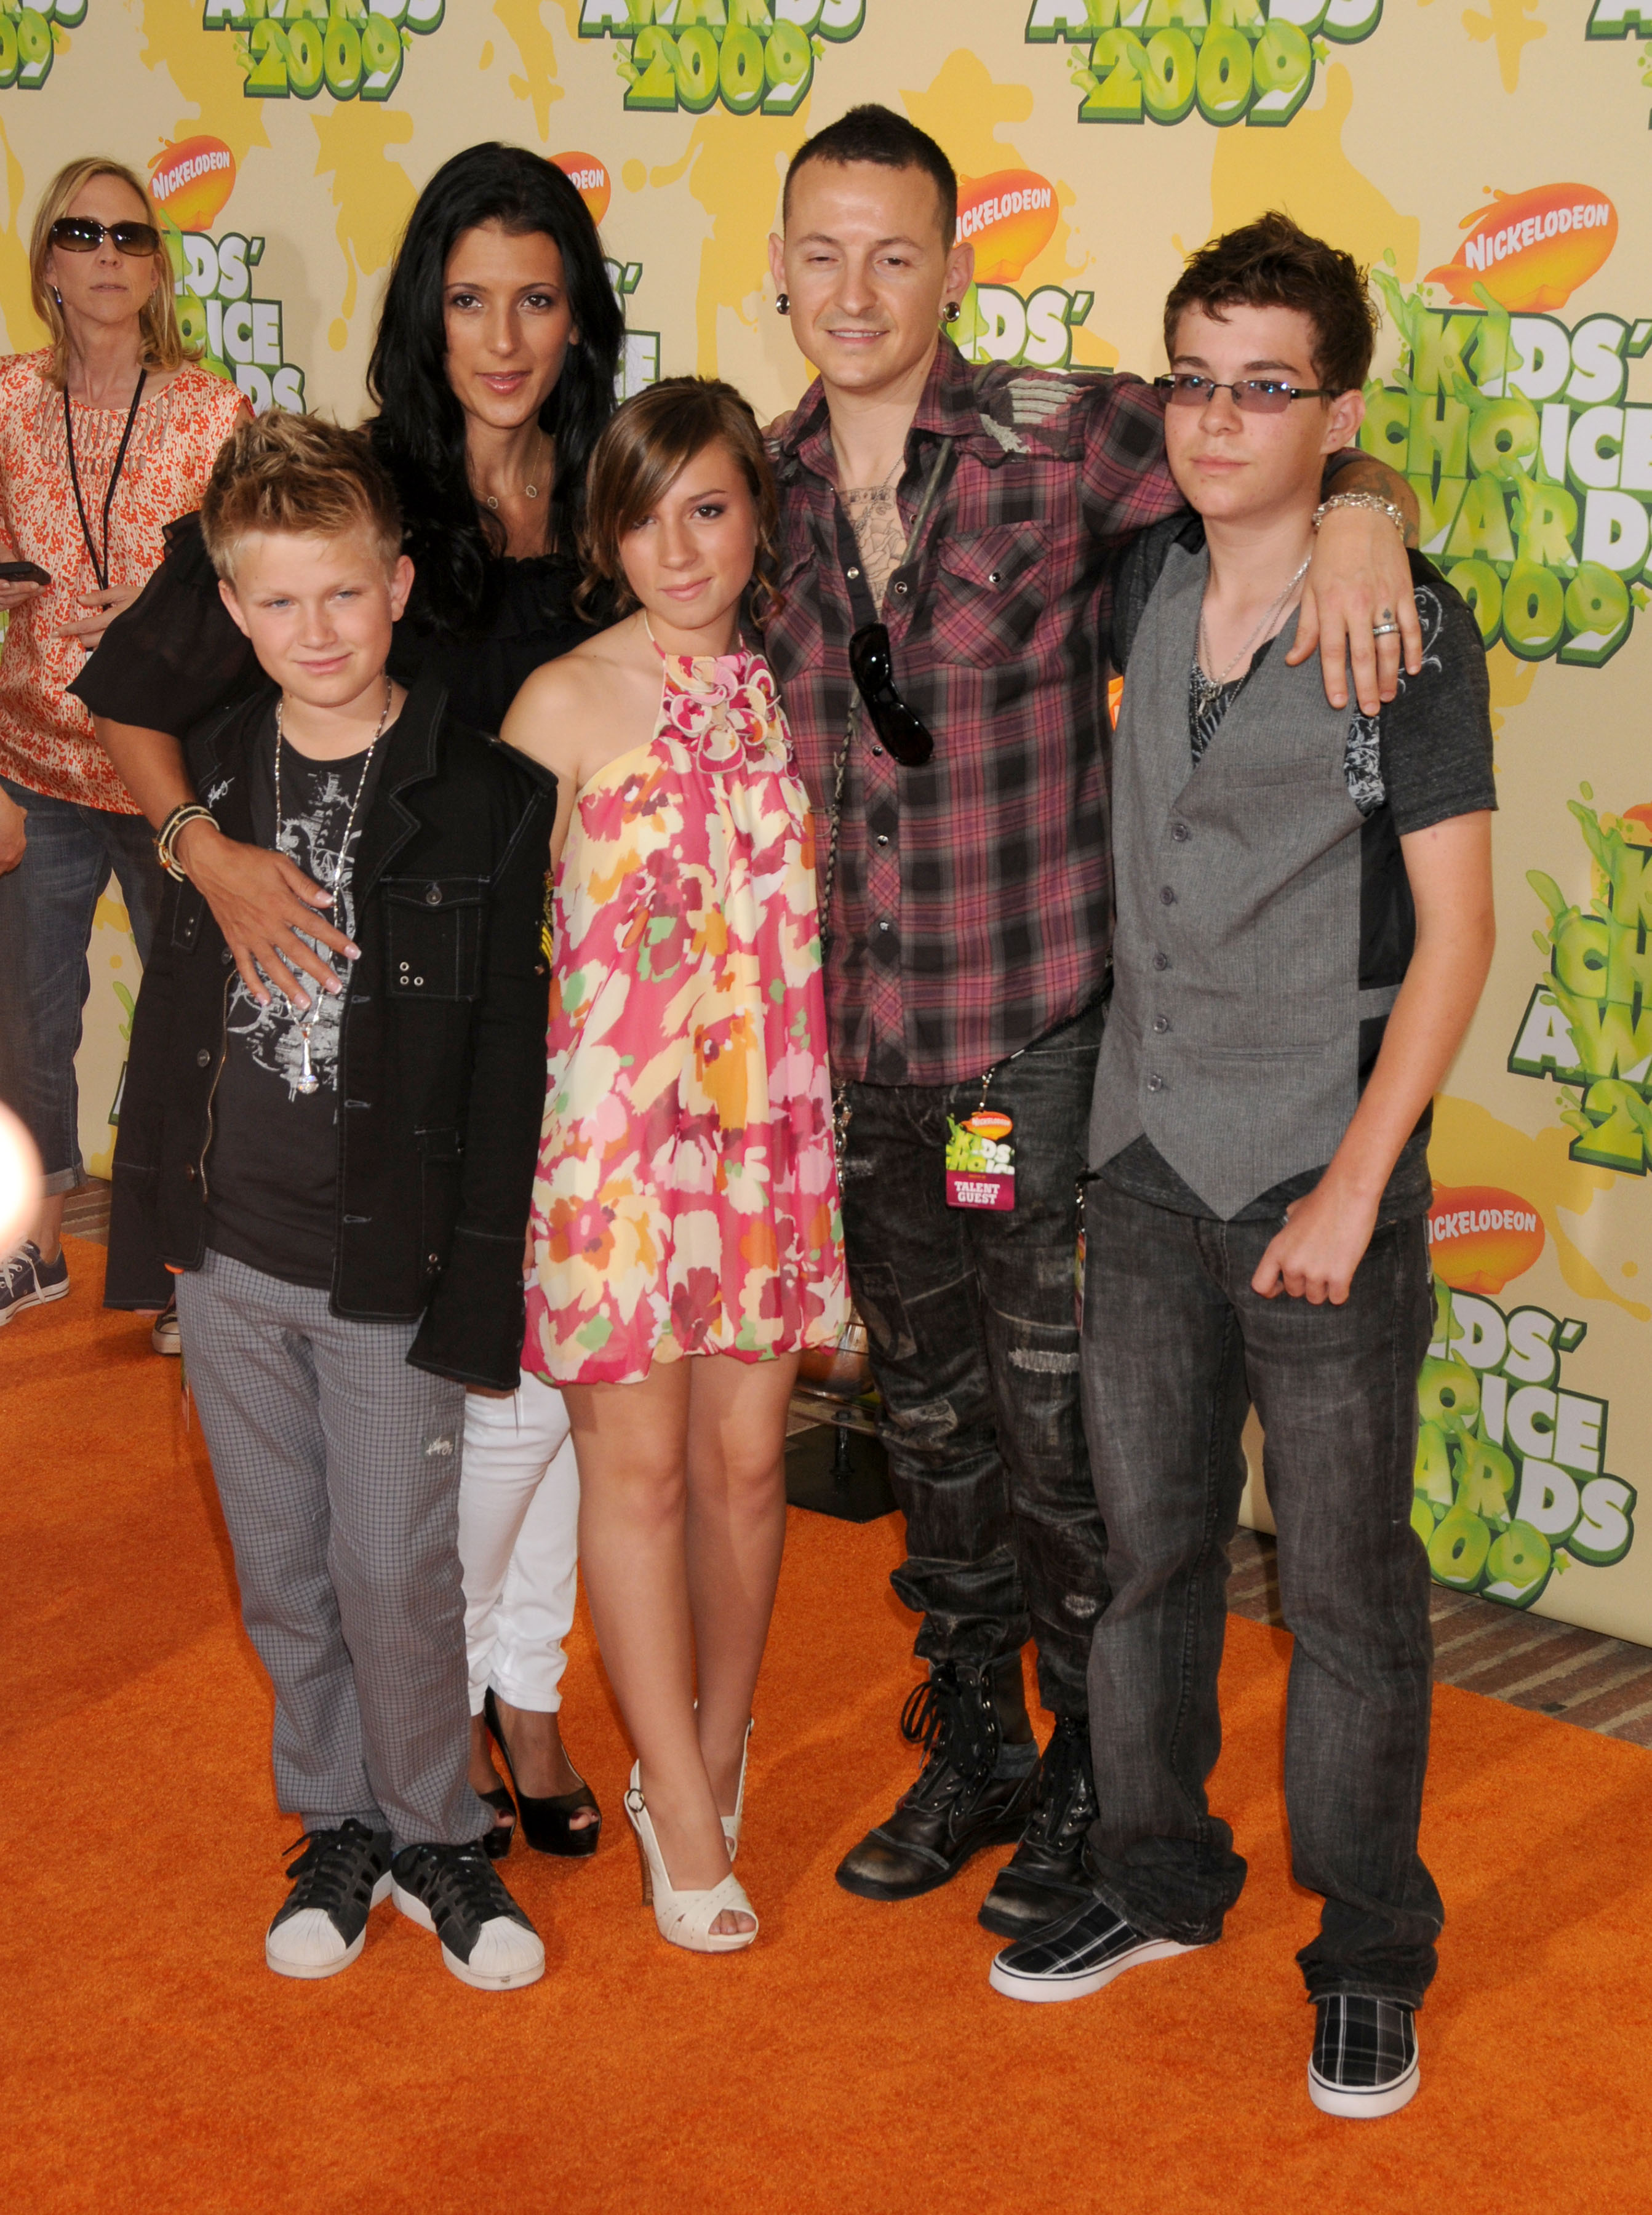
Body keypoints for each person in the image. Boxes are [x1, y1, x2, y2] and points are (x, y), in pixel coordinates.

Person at [762, 105, 1426, 1939]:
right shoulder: (761, 483)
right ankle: (975, 1731)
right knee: (931, 1426)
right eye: (821, 251)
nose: (855, 288)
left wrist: (1371, 515)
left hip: (1036, 1047)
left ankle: (1088, 1773)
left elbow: (1276, 457)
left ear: (956, 269)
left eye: (894, 252)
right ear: (775, 268)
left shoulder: (1067, 439)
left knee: (1070, 1446)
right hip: (864, 1057)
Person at [986, 216, 1496, 2123]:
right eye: (1191, 377)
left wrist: (1359, 1190)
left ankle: (1368, 1955)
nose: (1214, 419)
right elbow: (1025, 419)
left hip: (1316, 1171)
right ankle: (1151, 1877)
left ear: (1336, 411)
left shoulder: (1402, 620)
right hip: (1139, 1157)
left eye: (1264, 388)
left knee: (1350, 1594)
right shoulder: (1129, 582)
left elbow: (1452, 938)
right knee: (1149, 1563)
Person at [73, 142, 623, 1861]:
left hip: (596, 994)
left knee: (564, 1387)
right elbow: (128, 693)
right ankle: (411, 1736)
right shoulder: (343, 505)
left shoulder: (618, 489)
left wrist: (1350, 495)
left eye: (537, 296)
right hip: (398, 1042)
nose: (504, 333)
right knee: (443, 1413)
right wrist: (204, 855)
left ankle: (514, 1691)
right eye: (468, 297)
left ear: (578, 311)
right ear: (421, 311)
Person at [104, 410, 557, 1989]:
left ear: (398, 584)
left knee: (393, 1566)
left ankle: (437, 1829)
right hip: (234, 1258)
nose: (316, 632)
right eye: (280, 603)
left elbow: (510, 1065)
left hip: (393, 1267)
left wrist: (480, 1281)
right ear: (232, 611)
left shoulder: (485, 795)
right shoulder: (210, 783)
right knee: (284, 1566)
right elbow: (173, 1028)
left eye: (345, 597)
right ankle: (338, 1820)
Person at [500, 377, 849, 1954]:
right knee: (631, 1473)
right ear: (606, 534)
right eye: (642, 517)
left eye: (706, 508)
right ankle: (686, 1811)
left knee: (749, 1468)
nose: (676, 548)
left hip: (766, 1139)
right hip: (613, 1157)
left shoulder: (800, 690)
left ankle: (707, 1756)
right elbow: (500, 973)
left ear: (756, 516)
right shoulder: (556, 704)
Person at [0, 156, 245, 1339]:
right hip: (30, 766)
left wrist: (153, 609)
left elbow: (250, 589)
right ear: (47, 257)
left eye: (132, 237)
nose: (107, 254)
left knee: (192, 1021)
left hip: (167, 777)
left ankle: (189, 1270)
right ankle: (33, 1247)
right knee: (29, 1023)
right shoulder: (3, 400)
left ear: (158, 268)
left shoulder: (211, 412)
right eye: (83, 232)